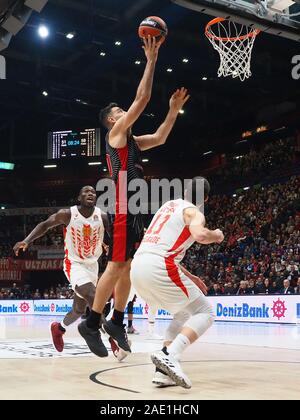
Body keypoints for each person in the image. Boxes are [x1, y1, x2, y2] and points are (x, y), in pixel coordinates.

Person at [78, 36, 190, 357]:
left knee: (127, 266)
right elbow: (141, 99)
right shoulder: (115, 135)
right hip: (122, 202)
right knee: (115, 267)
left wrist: (172, 111)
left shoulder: (134, 142)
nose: (125, 111)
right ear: (114, 120)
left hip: (134, 203)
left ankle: (116, 319)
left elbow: (161, 136)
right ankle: (92, 321)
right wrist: (151, 60)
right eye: (120, 110)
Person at [130, 177, 224, 388]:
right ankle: (170, 355)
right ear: (205, 198)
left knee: (182, 313)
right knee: (205, 312)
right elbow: (200, 235)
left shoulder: (167, 206)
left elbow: (163, 248)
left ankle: (162, 373)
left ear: (184, 191)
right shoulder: (194, 211)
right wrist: (216, 235)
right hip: (158, 267)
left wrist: (190, 277)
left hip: (138, 267)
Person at [13, 186, 126, 360]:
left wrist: (107, 244)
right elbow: (45, 225)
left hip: (93, 265)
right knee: (93, 297)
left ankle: (59, 328)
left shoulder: (102, 216)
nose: (90, 194)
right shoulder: (67, 214)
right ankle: (112, 340)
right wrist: (26, 241)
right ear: (79, 198)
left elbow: (113, 237)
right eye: (86, 192)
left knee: (79, 309)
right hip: (74, 264)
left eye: (93, 192)